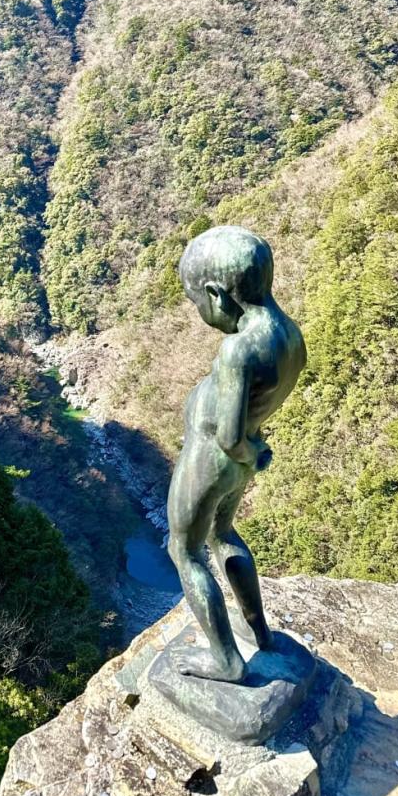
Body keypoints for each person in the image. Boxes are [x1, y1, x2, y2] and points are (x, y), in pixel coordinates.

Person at [166, 225, 306, 683]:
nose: (200, 311)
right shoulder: (289, 336)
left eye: (197, 303)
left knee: (184, 551)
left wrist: (246, 451)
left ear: (217, 294)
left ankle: (225, 660)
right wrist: (254, 453)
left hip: (212, 458)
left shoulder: (237, 351)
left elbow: (227, 436)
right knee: (224, 533)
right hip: (243, 458)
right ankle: (260, 632)